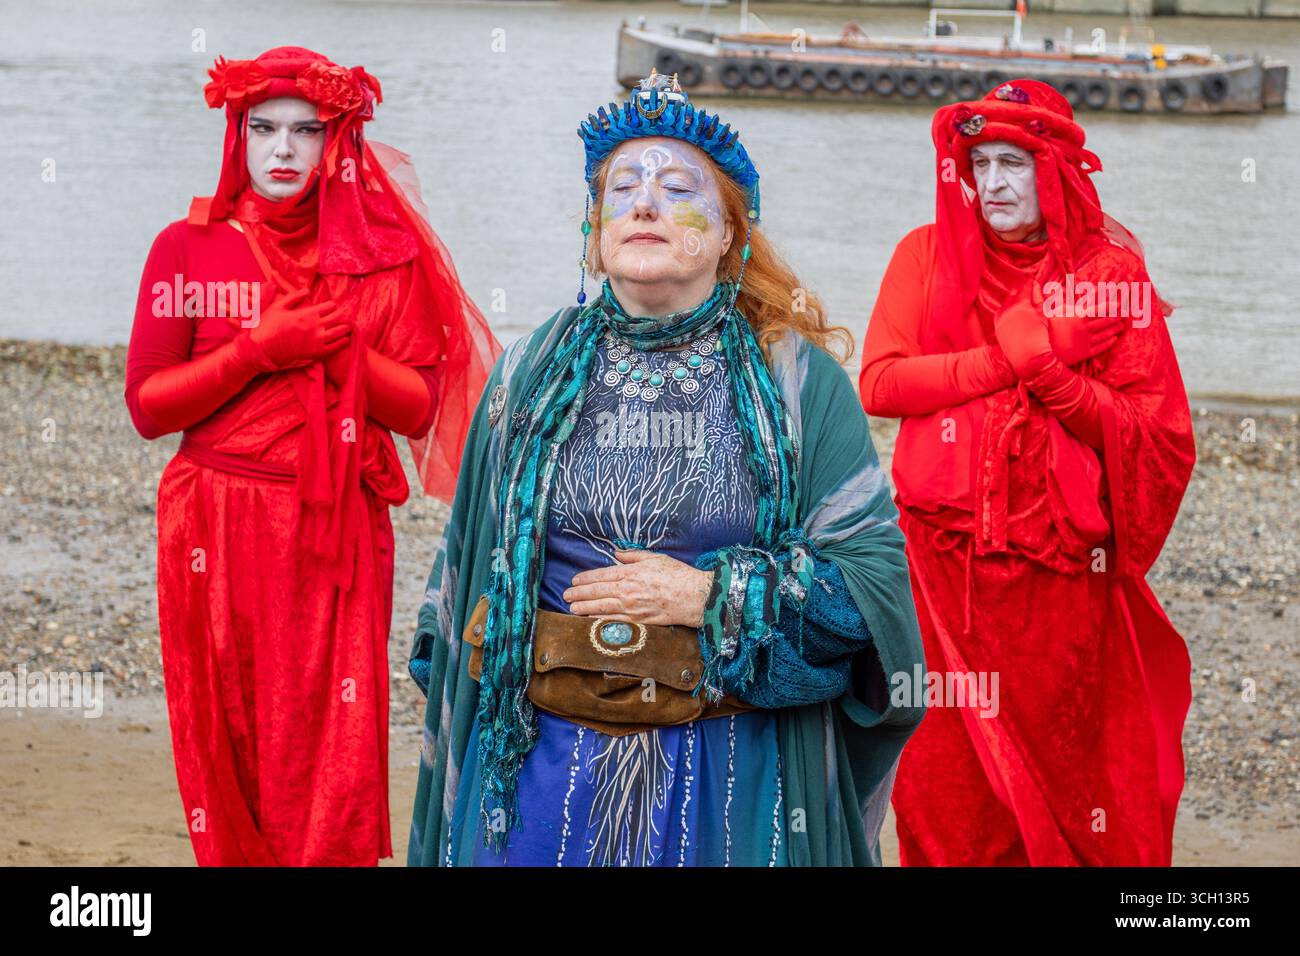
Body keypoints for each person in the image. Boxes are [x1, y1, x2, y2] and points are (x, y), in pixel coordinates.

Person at [407, 71, 925, 867]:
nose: (644, 203)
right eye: (623, 188)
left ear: (727, 236)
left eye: (678, 187)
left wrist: (711, 594)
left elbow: (872, 598)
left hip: (729, 774)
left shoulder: (797, 386)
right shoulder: (525, 376)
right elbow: (464, 590)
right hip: (538, 771)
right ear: (595, 227)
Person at [123, 46, 499, 865]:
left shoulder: (383, 256)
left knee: (328, 736)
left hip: (333, 529)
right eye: (263, 129)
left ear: (342, 143)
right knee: (225, 729)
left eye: (307, 131)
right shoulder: (186, 250)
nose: (283, 150)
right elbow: (148, 408)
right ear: (236, 135)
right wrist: (258, 350)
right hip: (212, 519)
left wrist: (343, 359)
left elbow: (424, 407)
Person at [860, 79, 1195, 865]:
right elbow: (881, 383)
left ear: (1059, 171)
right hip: (939, 574)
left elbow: (1161, 437)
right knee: (945, 789)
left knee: (1070, 786)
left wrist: (1055, 381)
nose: (994, 184)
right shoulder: (926, 251)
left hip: (1058, 590)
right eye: (979, 164)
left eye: (1015, 162)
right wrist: (1003, 359)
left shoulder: (1111, 277)